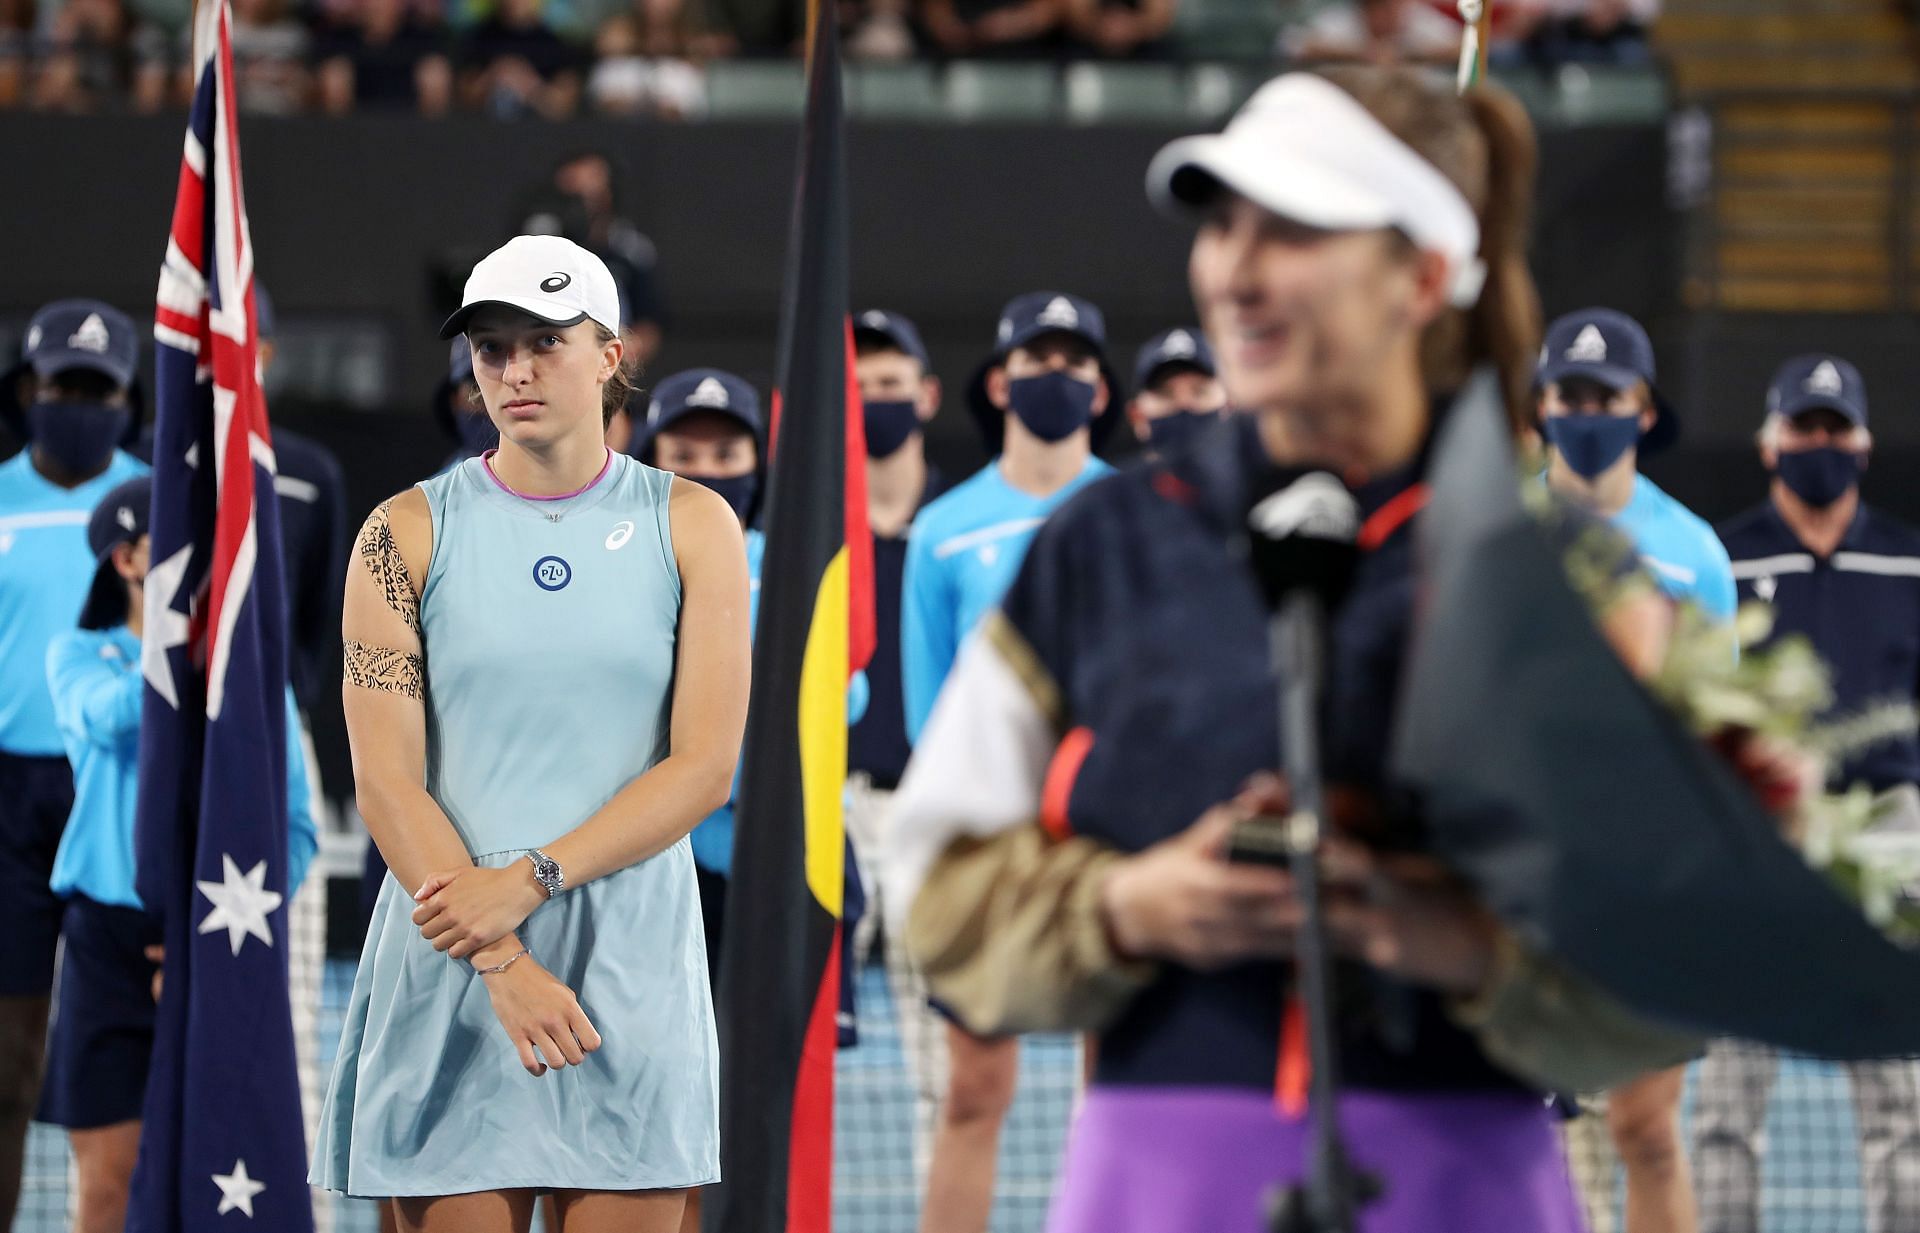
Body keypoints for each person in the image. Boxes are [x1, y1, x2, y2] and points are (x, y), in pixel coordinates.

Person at [882, 67, 1707, 1233]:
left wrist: (1460, 943)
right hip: (1159, 1191)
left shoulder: (1564, 574)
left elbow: (1689, 959)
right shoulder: (1105, 545)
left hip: (1465, 1186)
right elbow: (935, 895)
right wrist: (1130, 908)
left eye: (1296, 229)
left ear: (1423, 276)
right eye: (1223, 224)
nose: (1236, 269)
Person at [311, 234, 750, 1233]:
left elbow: (703, 767)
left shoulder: (695, 525)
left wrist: (532, 878)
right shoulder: (400, 533)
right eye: (492, 347)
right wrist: (501, 958)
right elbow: (387, 785)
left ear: (611, 353)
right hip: (455, 949)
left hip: (629, 964)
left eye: (546, 342)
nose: (515, 370)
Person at [37, 475, 316, 1233]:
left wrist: (231, 916)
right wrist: (191, 653)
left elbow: (296, 824)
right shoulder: (78, 654)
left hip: (222, 932)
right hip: (106, 941)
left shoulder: (257, 680)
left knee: (231, 1172)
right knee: (108, 1183)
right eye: (181, 544)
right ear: (127, 561)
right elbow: (106, 717)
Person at [900, 290, 1116, 1233]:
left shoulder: (1134, 513)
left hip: (1111, 836)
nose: (1055, 378)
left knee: (1115, 1098)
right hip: (992, 847)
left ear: (1102, 387)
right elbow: (930, 702)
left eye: (1074, 363)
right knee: (974, 1091)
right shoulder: (944, 530)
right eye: (1036, 361)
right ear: (999, 381)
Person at [1702, 353, 1920, 1233]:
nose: (1819, 443)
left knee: (1900, 1102)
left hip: (1889, 833)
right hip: (1757, 836)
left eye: (1835, 427)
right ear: (1769, 441)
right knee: (1725, 1101)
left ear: (1863, 442)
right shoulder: (1722, 556)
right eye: (1804, 426)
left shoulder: (1910, 563)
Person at [1536, 305, 1734, 1233]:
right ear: (1541, 406)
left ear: (1643, 410)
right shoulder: (1490, 533)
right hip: (1521, 878)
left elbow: (1721, 732)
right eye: (1570, 394)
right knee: (1520, 1135)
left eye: (1605, 395)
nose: (1588, 412)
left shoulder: (1693, 553)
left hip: (1657, 881)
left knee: (1646, 1130)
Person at [0, 298, 148, 1228]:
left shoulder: (163, 504)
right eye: (64, 385)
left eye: (99, 390)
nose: (80, 403)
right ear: (29, 390)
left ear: (129, 401)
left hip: (126, 791)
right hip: (11, 794)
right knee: (7, 1058)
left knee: (138, 1059)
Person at [845, 308, 948, 1177]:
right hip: (834, 812)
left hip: (937, 812)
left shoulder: (959, 529)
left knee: (944, 1065)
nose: (878, 400)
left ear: (927, 394)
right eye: (861, 387)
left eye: (891, 384)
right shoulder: (811, 534)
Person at [629, 365, 764, 985]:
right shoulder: (615, 562)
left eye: (726, 453)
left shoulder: (800, 567)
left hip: (765, 859)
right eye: (684, 454)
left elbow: (844, 697)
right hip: (639, 859)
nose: (707, 472)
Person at [1126, 326, 1228, 457]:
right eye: (1165, 393)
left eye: (1199, 391)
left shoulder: (1258, 477)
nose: (1184, 404)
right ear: (1136, 416)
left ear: (1230, 408)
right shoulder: (1111, 478)